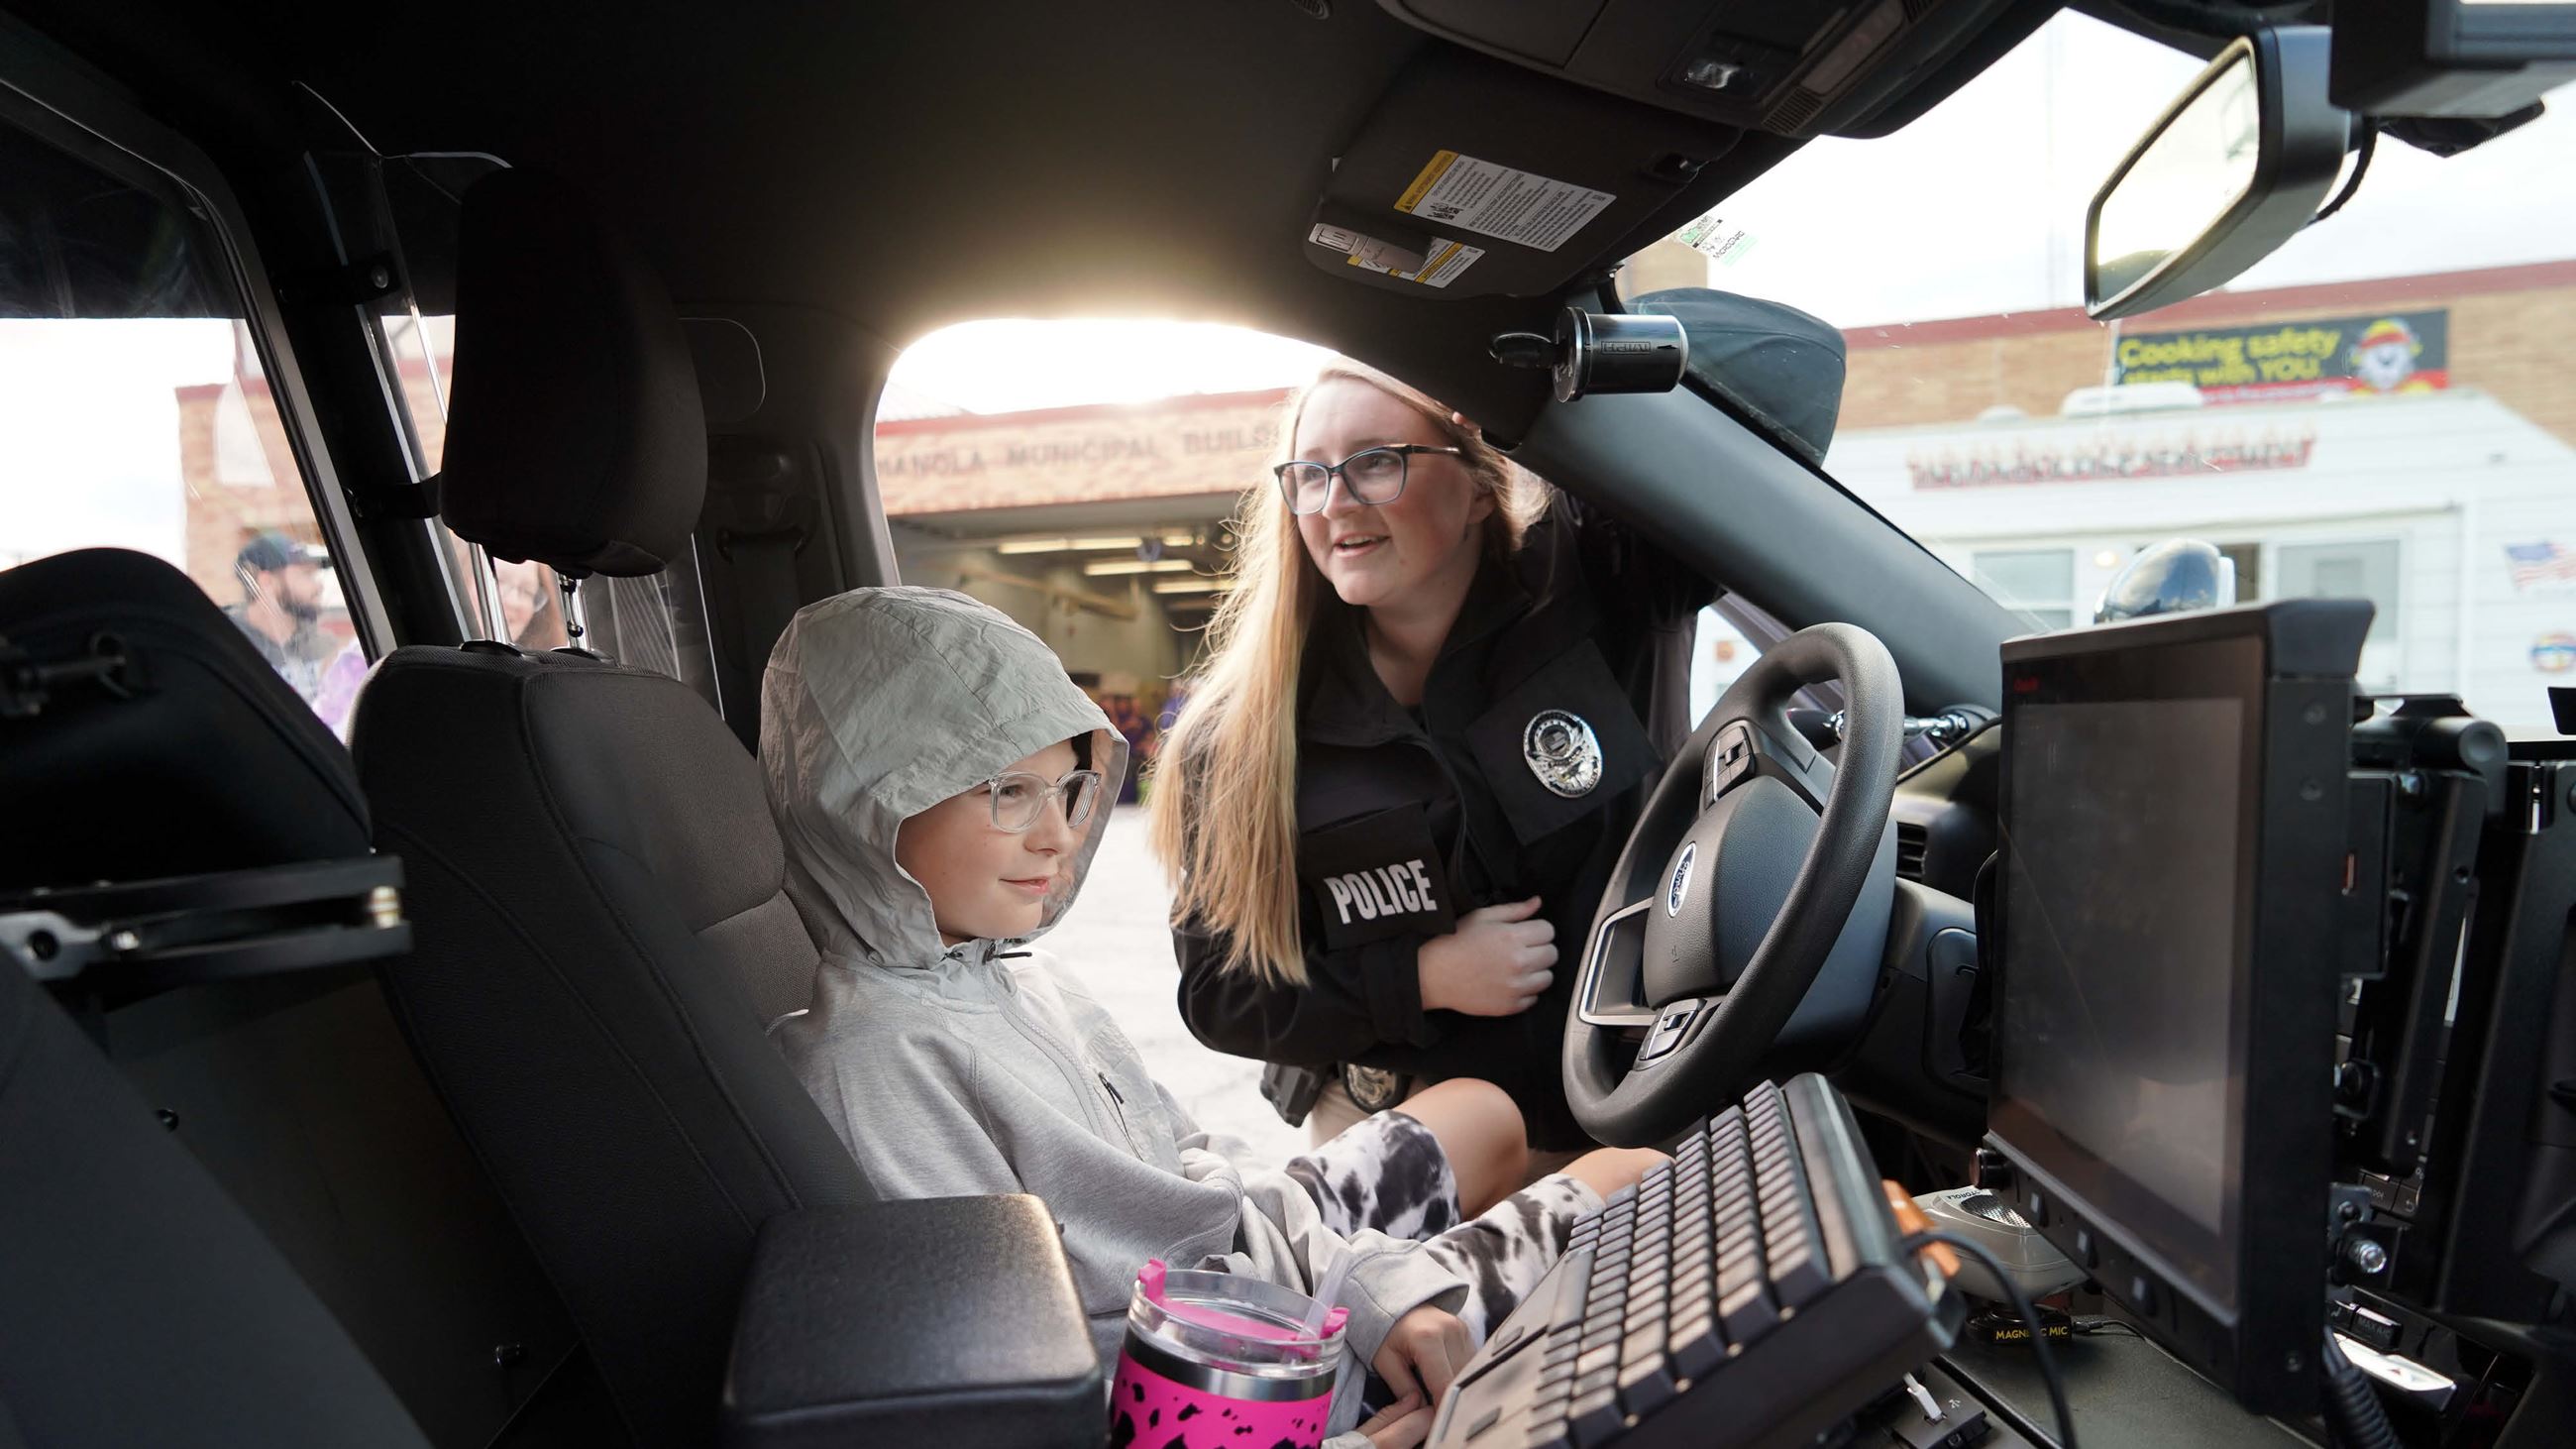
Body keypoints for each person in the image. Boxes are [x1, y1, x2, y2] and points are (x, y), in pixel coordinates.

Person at [760, 587, 1662, 1446]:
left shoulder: (1021, 979)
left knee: (1485, 1107)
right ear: (868, 810)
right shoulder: (878, 1067)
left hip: (1237, 1267)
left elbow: (1190, 1162)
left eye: (1068, 790)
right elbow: (1023, 1384)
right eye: (1007, 793)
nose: (1059, 836)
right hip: (1233, 1384)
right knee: (1637, 1177)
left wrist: (1370, 1283)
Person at [1147, 363, 1716, 1156]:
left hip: (1609, 1127)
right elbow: (1222, 994)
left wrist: (1522, 394)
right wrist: (1420, 977)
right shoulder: (1239, 733)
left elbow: (1768, 377)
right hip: (1382, 1128)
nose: (1337, 500)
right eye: (1311, 474)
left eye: (1377, 461)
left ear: (1481, 485)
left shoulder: (1604, 590)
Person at [226, 530, 351, 725]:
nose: (318, 586)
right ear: (267, 582)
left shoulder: (326, 648)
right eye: (306, 574)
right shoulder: (230, 647)